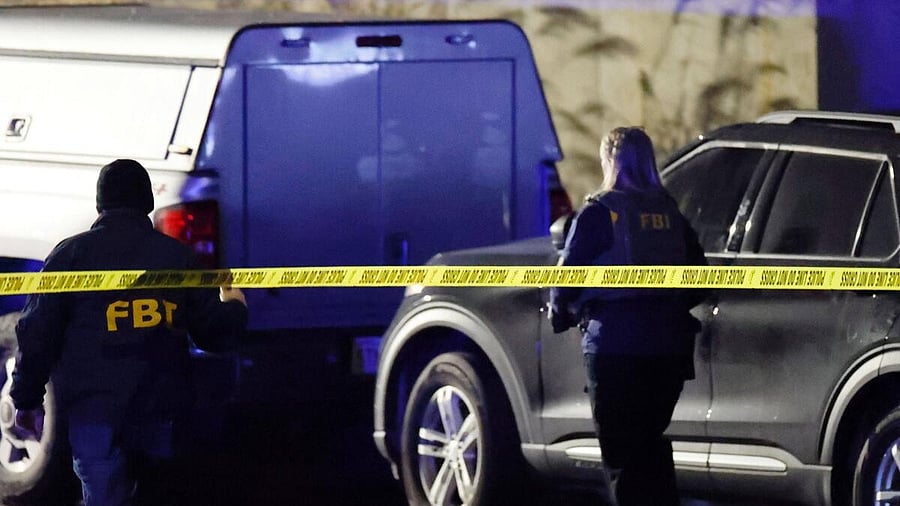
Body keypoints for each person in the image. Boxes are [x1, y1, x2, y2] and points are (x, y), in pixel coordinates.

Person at [10, 159, 248, 506]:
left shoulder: (69, 257)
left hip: (95, 417)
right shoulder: (178, 257)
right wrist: (235, 305)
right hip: (162, 415)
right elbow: (214, 334)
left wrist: (26, 400)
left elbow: (36, 334)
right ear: (147, 203)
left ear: (99, 203)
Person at [549, 127, 707, 506]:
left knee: (623, 458)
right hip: (668, 352)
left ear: (609, 161)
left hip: (615, 351)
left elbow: (565, 281)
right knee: (650, 447)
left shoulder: (600, 213)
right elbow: (701, 278)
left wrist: (562, 314)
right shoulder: (670, 213)